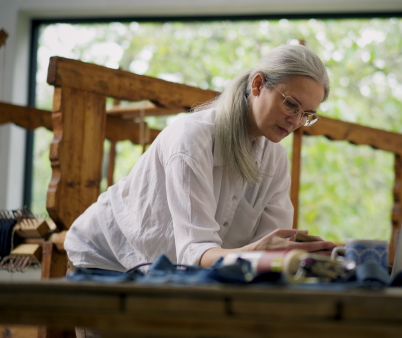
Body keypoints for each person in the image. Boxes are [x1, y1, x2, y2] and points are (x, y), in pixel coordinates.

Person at [64, 44, 335, 272]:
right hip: (107, 259)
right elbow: (195, 252)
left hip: (168, 269)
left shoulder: (274, 159)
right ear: (258, 84)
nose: (296, 121)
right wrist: (260, 252)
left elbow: (269, 248)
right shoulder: (192, 138)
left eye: (307, 115)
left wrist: (296, 255)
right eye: (291, 104)